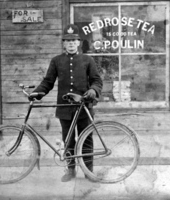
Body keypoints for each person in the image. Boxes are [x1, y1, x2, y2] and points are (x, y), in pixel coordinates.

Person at [30, 24, 103, 182]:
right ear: (64, 43)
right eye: (67, 40)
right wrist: (37, 93)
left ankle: (88, 172)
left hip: (84, 107)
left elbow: (97, 80)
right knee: (68, 140)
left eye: (74, 40)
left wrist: (93, 91)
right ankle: (71, 170)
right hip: (65, 109)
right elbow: (48, 82)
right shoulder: (56, 61)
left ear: (79, 43)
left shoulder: (87, 60)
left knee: (87, 140)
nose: (70, 43)